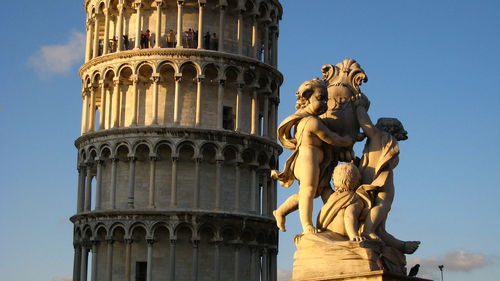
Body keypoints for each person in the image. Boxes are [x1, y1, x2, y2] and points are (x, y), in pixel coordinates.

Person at [271, 79, 354, 234]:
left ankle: (281, 211)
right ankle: (307, 225)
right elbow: (333, 138)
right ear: (307, 98)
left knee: (315, 191)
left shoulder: (312, 119)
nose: (324, 103)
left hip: (316, 161)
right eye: (320, 98)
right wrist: (350, 139)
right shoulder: (312, 122)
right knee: (308, 191)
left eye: (326, 99)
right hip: (307, 160)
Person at [353, 94, 419, 254]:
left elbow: (365, 123)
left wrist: (360, 107)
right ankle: (368, 231)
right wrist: (360, 107)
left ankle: (392, 242)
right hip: (379, 177)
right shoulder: (382, 137)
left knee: (380, 218)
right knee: (382, 204)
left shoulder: (379, 136)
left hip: (372, 174)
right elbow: (365, 123)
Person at [316, 163, 368, 241]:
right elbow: (349, 216)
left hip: (327, 235)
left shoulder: (331, 196)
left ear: (334, 180)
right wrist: (353, 235)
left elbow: (323, 186)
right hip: (340, 237)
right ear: (357, 181)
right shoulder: (355, 199)